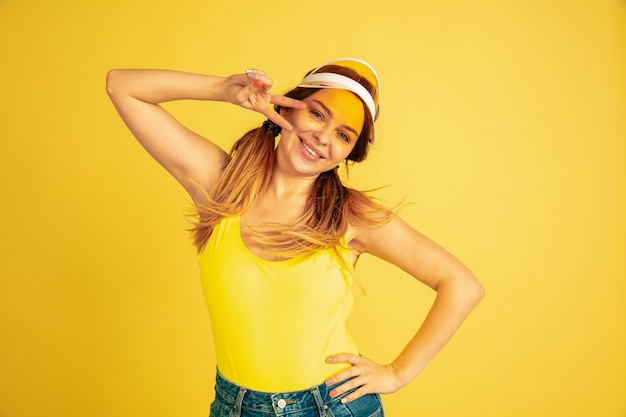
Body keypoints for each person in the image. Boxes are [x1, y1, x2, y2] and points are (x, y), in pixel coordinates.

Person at [106, 58, 484, 417]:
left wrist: (397, 373)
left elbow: (462, 285)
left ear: (347, 155)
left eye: (343, 135)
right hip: (235, 406)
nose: (322, 137)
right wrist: (222, 89)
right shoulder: (220, 187)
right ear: (285, 109)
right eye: (317, 114)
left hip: (331, 405)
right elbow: (122, 86)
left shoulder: (350, 217)